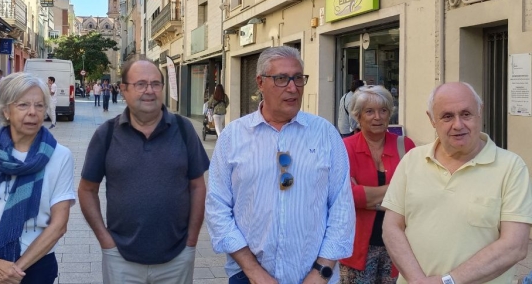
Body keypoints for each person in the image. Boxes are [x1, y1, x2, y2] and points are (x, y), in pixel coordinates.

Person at [205, 46, 355, 284]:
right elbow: (217, 209)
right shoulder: (233, 136)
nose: (293, 87)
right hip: (249, 277)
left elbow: (342, 207)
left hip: (316, 278)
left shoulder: (325, 134)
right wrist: (254, 272)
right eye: (281, 78)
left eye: (298, 78)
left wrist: (321, 273)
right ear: (260, 82)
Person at [382, 82, 532, 284]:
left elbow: (515, 246)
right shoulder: (412, 160)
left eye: (466, 114)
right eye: (447, 116)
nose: (458, 125)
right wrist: (417, 280)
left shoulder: (511, 167)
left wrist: (446, 281)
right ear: (432, 119)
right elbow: (391, 228)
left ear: (480, 112)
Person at [78, 59, 209, 283]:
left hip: (176, 259)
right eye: (140, 84)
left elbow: (197, 186)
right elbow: (87, 190)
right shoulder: (106, 134)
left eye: (155, 84)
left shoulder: (184, 129)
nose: (149, 91)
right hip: (120, 259)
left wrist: (191, 241)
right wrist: (105, 240)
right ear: (124, 90)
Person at [0, 73, 75, 284]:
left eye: (39, 105)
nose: (33, 112)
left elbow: (59, 224)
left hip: (35, 262)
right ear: (6, 111)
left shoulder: (60, 155)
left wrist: (11, 273)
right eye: (23, 105)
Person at [339, 85, 415, 284]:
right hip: (356, 247)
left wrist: (368, 197)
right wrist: (396, 193)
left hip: (400, 246)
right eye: (369, 111)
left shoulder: (405, 146)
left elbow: (415, 192)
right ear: (358, 115)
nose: (377, 117)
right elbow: (349, 196)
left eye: (383, 111)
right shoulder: (345, 148)